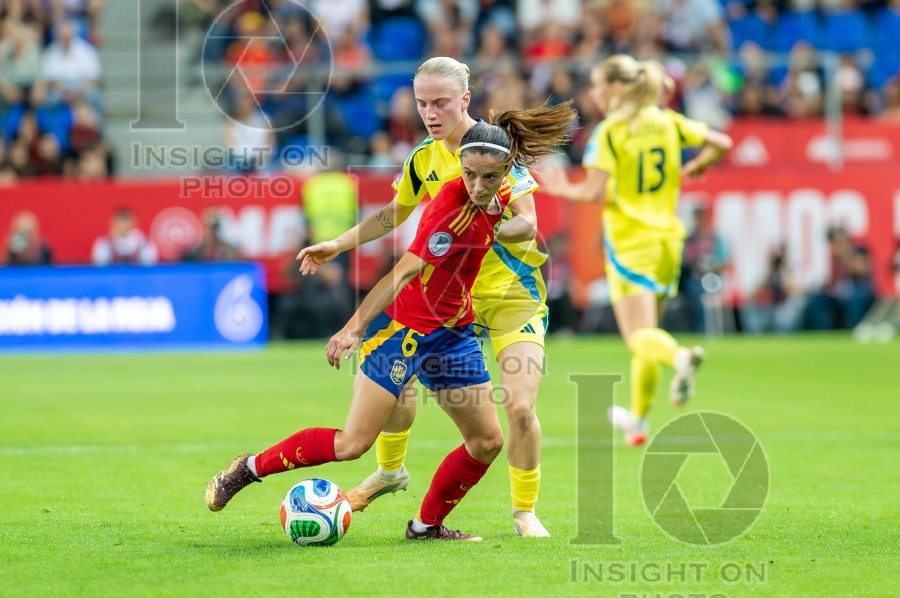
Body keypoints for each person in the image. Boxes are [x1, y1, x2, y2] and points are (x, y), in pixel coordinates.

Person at [205, 104, 575, 542]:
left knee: (487, 442)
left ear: (504, 174)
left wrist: (499, 224)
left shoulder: (498, 192)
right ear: (460, 167)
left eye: (488, 178)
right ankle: (248, 468)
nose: (478, 186)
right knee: (352, 444)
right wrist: (353, 327)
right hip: (404, 332)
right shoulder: (449, 212)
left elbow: (525, 223)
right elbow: (400, 274)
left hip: (453, 334)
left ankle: (425, 526)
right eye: (470, 176)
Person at [297, 57, 562, 537]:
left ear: (465, 99)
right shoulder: (423, 157)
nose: (430, 113)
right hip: (449, 301)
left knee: (520, 409)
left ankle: (525, 512)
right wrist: (339, 243)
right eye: (422, 103)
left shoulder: (494, 150)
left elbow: (528, 223)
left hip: (509, 299)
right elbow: (393, 214)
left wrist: (489, 228)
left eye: (440, 102)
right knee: (395, 377)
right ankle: (390, 471)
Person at [537, 54, 733, 446]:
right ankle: (638, 422)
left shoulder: (611, 131)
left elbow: (592, 191)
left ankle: (679, 358)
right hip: (667, 240)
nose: (593, 93)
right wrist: (700, 165)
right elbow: (722, 143)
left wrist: (560, 189)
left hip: (631, 241)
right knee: (648, 335)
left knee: (639, 336)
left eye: (597, 84)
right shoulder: (666, 121)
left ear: (616, 86)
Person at [91, 207, 157, 266]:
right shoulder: (103, 243)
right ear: (112, 222)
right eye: (120, 221)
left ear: (134, 222)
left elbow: (148, 267)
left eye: (126, 221)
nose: (123, 225)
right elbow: (101, 267)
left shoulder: (145, 243)